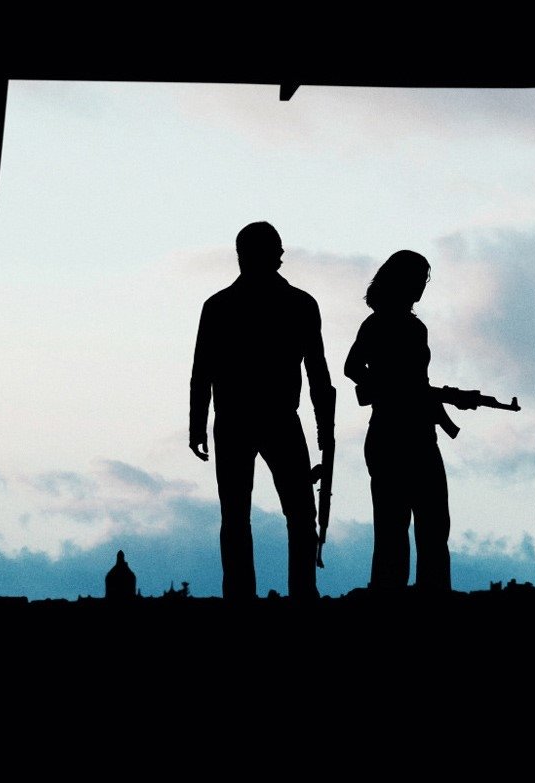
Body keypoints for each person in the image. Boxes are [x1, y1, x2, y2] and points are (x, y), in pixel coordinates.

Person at [189, 221, 336, 600]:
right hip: (268, 420)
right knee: (283, 513)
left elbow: (317, 371)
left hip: (250, 420)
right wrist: (325, 426)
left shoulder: (221, 305)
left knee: (249, 515)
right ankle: (297, 592)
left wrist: (197, 425)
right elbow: (317, 372)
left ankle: (254, 594)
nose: (281, 256)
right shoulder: (297, 304)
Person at [344, 250, 453, 594]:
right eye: (418, 280)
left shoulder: (414, 327)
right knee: (394, 525)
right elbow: (352, 367)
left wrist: (436, 401)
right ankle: (390, 593)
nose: (422, 287)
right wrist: (388, 389)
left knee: (433, 523)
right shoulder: (378, 323)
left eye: (424, 281)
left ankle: (430, 590)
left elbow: (417, 382)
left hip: (418, 432)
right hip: (392, 433)